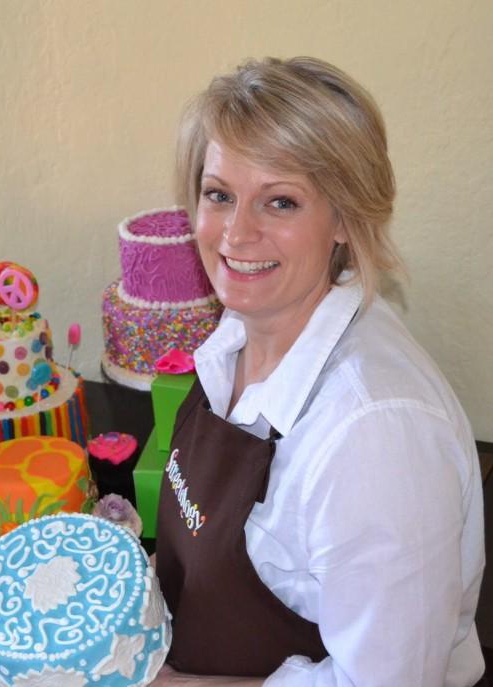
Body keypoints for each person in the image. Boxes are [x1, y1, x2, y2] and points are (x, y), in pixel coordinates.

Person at [149, 57, 485, 686]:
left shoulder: (376, 437)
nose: (236, 233)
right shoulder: (241, 332)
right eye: (219, 194)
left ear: (343, 220)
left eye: (280, 202)